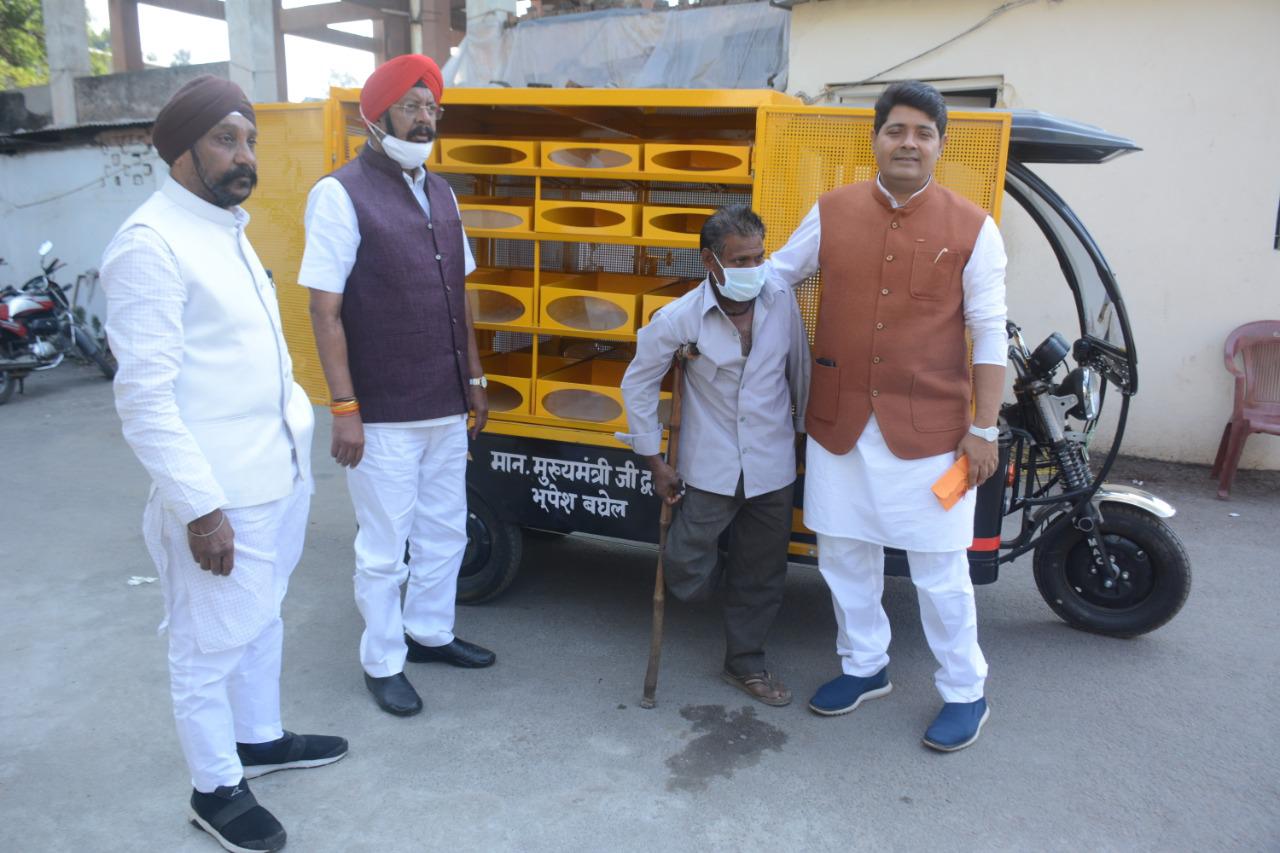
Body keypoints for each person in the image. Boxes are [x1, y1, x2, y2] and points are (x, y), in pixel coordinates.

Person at [102, 75, 347, 853]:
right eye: (225, 139)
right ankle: (215, 785)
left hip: (275, 475)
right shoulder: (149, 245)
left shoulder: (224, 226)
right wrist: (200, 509)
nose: (244, 156)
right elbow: (145, 399)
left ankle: (259, 737)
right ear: (183, 148)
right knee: (206, 645)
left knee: (260, 620)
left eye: (249, 140)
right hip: (218, 497)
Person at [766, 81, 1008, 751]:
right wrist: (708, 297)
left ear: (940, 145)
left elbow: (989, 330)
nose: (909, 142)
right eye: (897, 130)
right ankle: (864, 664)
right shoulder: (831, 210)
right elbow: (779, 275)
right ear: (875, 139)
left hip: (931, 431)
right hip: (839, 421)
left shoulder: (974, 226)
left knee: (939, 569)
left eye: (923, 133)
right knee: (843, 552)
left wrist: (982, 426)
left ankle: (965, 690)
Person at [299, 54, 494, 718]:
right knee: (384, 544)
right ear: (376, 115)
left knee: (446, 531)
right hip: (380, 408)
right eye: (411, 105)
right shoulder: (339, 193)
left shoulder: (442, 192)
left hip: (444, 398)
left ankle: (430, 631)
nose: (424, 116)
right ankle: (382, 659)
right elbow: (324, 309)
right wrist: (344, 406)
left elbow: (459, 294)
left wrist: (475, 376)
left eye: (432, 106)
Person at [618, 205, 810, 706]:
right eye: (742, 260)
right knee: (683, 565)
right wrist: (653, 458)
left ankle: (745, 662)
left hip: (771, 463)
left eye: (760, 257)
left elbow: (799, 367)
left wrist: (803, 431)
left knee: (764, 571)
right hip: (710, 466)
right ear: (711, 261)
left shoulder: (781, 297)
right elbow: (637, 381)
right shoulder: (681, 317)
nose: (754, 269)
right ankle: (730, 592)